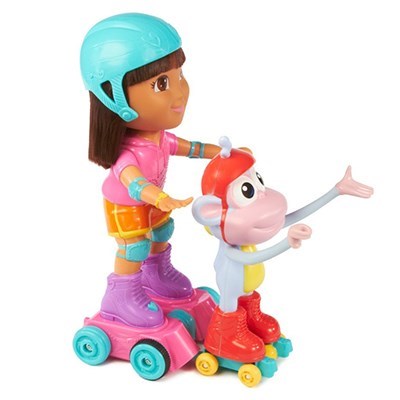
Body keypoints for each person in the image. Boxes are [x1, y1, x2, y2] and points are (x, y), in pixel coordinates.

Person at [80, 13, 220, 328]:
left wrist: (222, 153)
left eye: (180, 75)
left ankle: (156, 274)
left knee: (162, 232)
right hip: (127, 205)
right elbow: (133, 182)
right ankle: (120, 296)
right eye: (162, 84)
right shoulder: (127, 153)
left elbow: (191, 148)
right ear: (113, 96)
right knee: (135, 246)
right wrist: (158, 197)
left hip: (155, 200)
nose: (180, 93)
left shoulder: (160, 138)